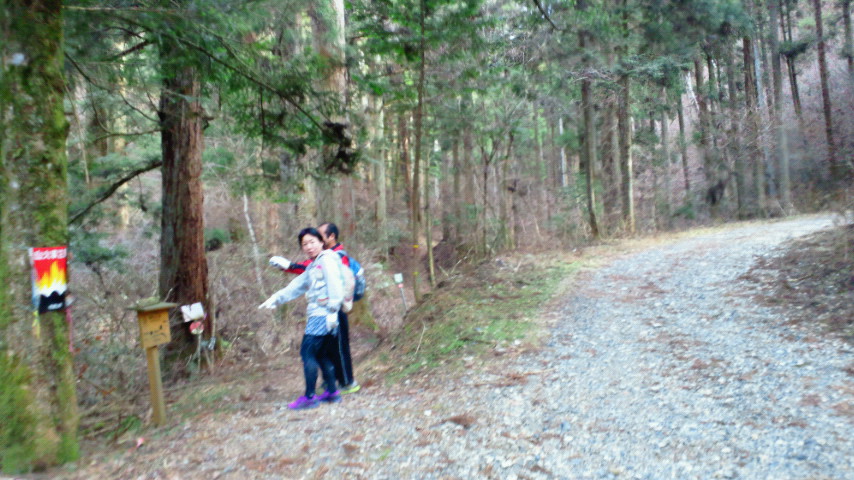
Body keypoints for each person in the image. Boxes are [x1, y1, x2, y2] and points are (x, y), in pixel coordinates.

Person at [269, 222, 361, 395]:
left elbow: (327, 279)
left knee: (338, 348)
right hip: (325, 312)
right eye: (306, 243)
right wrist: (288, 268)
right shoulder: (320, 259)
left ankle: (347, 382)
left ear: (330, 237)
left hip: (334, 309)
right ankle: (331, 386)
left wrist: (290, 266)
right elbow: (307, 274)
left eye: (318, 237)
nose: (312, 244)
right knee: (327, 350)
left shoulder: (334, 256)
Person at [259, 228, 344, 410]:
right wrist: (276, 298)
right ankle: (331, 391)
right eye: (305, 244)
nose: (309, 247)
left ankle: (309, 397)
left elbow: (335, 285)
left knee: (308, 354)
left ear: (322, 242)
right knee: (321, 354)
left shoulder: (327, 260)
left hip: (323, 315)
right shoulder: (314, 265)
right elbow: (297, 285)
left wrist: (332, 310)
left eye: (312, 242)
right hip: (324, 315)